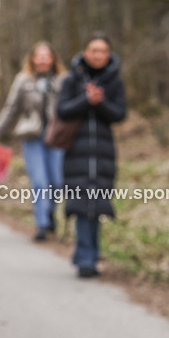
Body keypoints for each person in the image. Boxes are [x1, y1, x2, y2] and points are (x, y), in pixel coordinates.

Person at [57, 32, 126, 278]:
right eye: (94, 50)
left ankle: (89, 254)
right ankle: (85, 258)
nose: (99, 55)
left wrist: (99, 102)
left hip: (103, 152)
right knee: (80, 203)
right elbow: (61, 110)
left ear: (109, 55)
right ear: (86, 52)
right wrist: (86, 100)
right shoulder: (71, 79)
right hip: (76, 151)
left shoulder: (114, 80)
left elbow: (119, 113)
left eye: (103, 51)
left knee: (97, 206)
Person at [0, 41, 68, 240]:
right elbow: (10, 111)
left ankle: (49, 212)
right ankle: (41, 225)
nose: (43, 59)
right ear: (32, 59)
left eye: (47, 55)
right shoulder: (23, 80)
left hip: (57, 136)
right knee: (39, 181)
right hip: (32, 137)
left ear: (53, 58)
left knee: (56, 181)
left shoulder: (62, 80)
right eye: (39, 55)